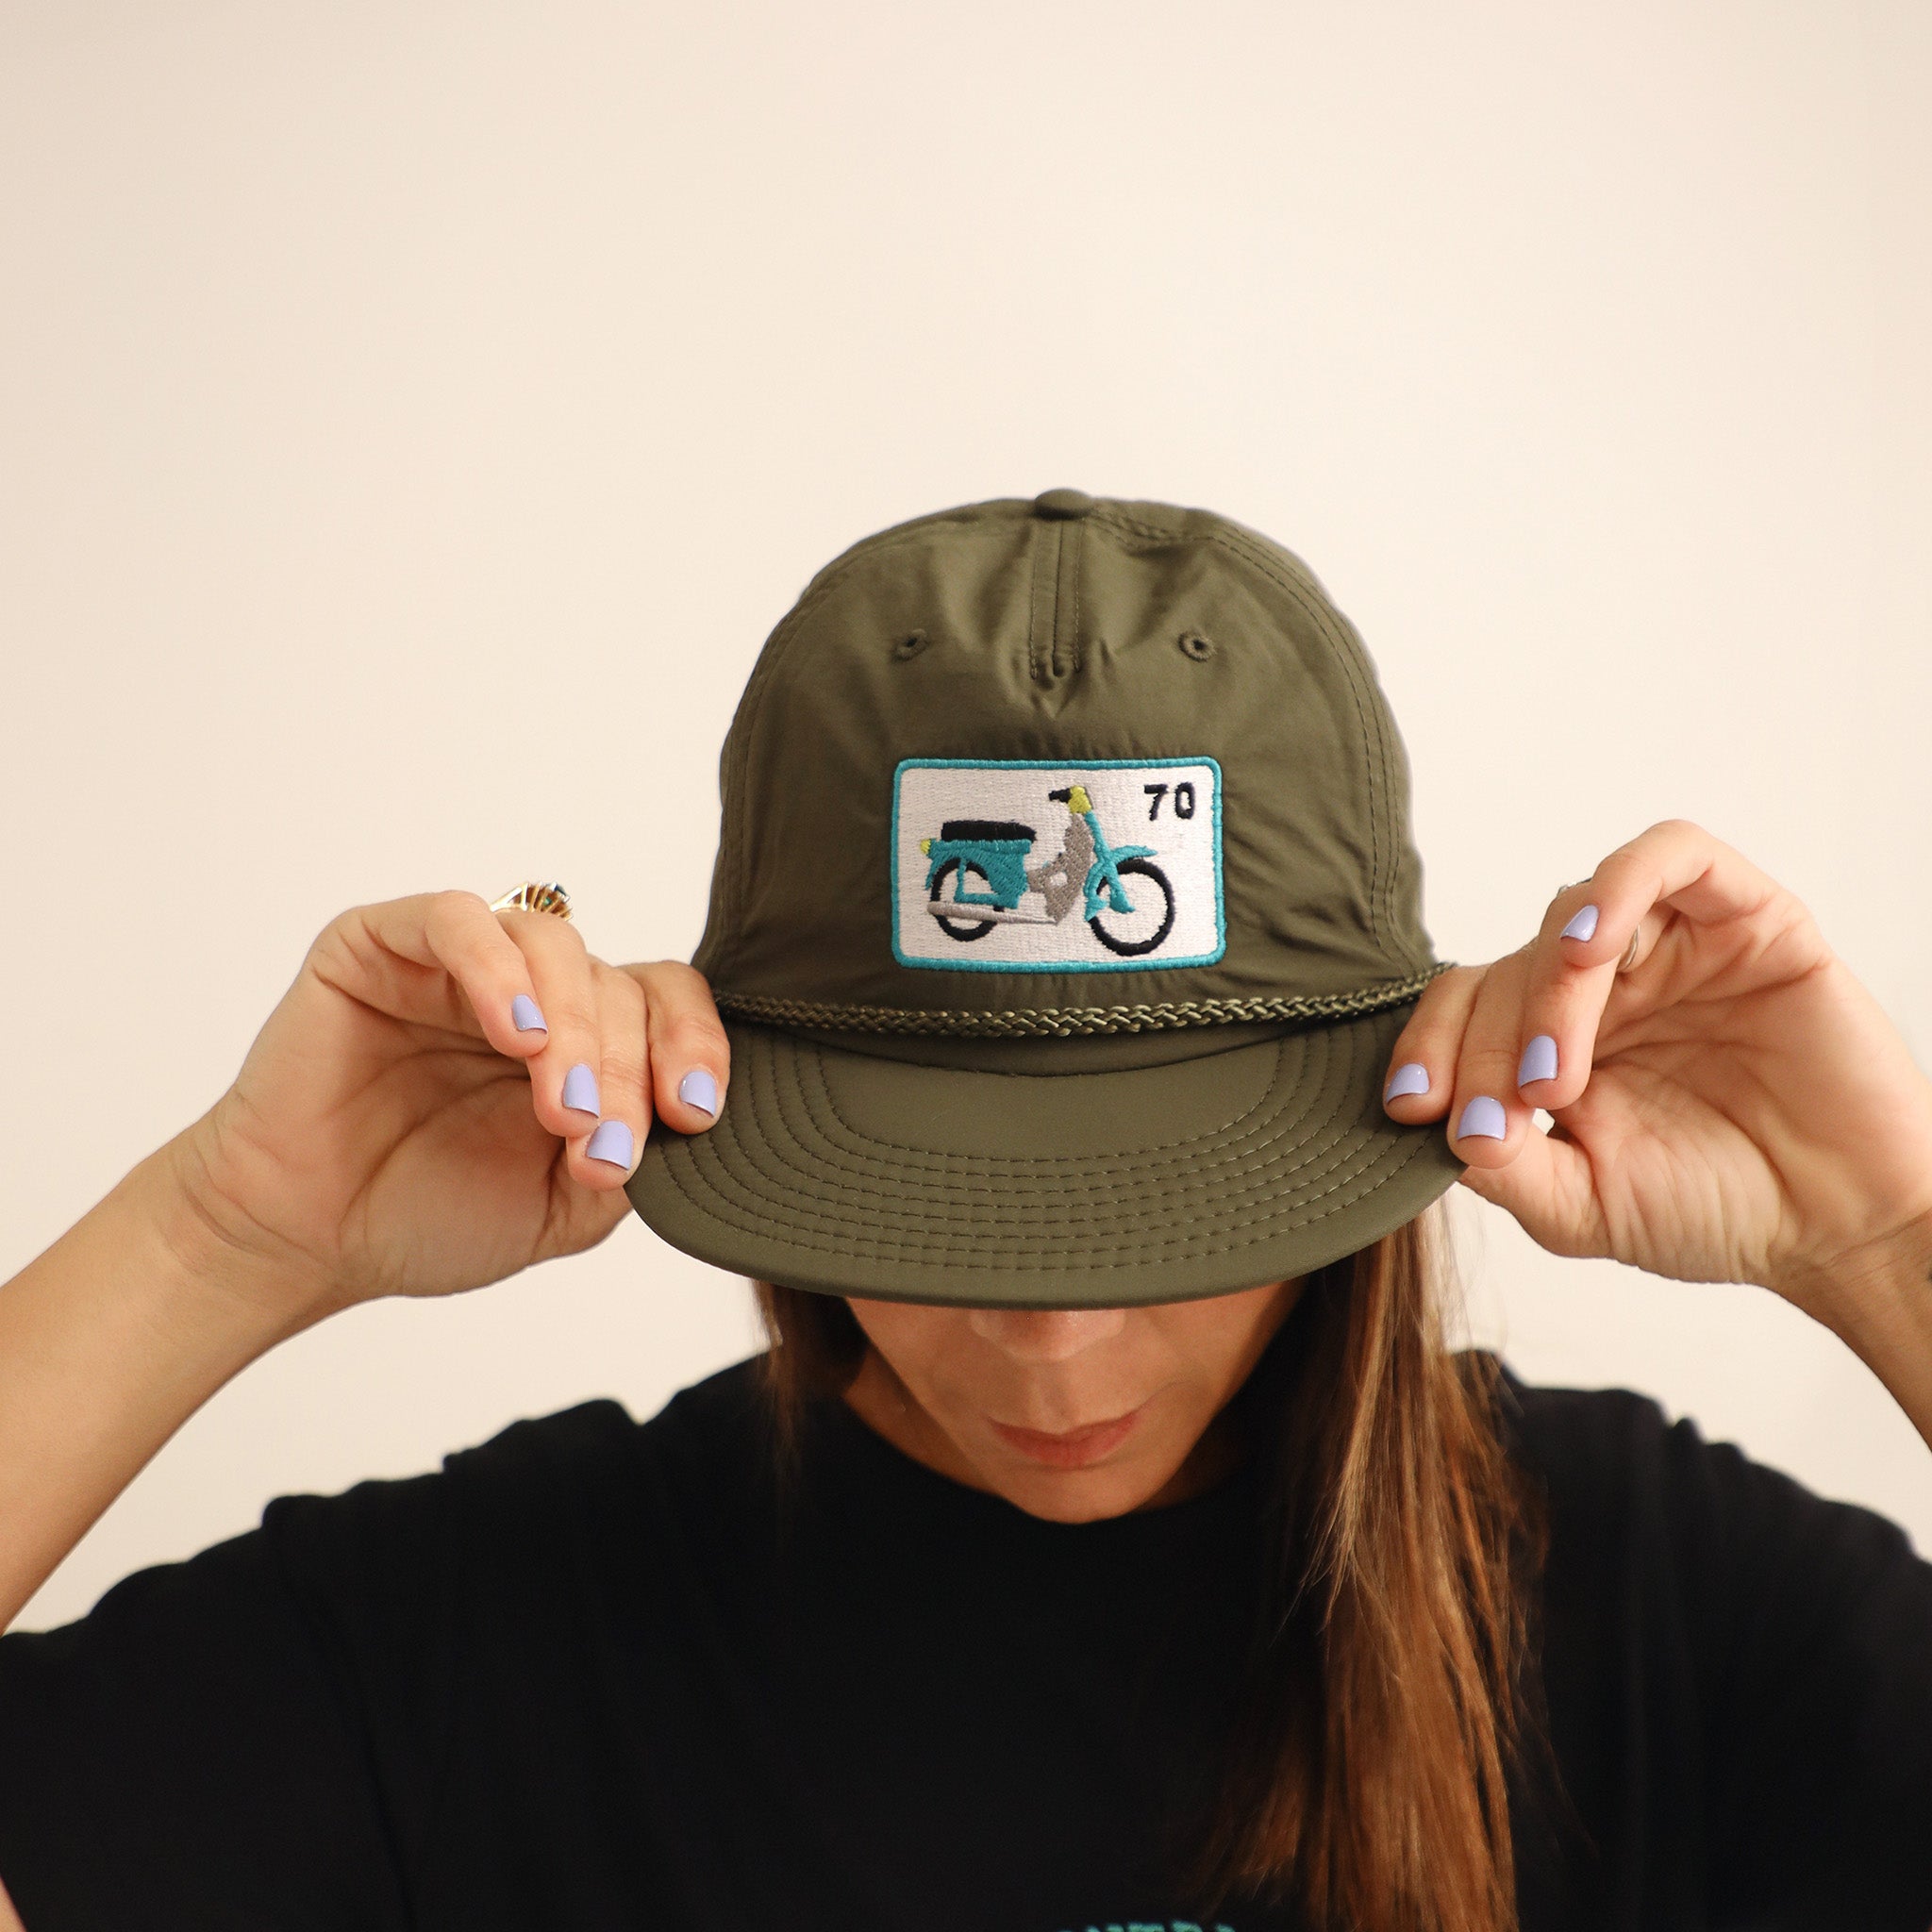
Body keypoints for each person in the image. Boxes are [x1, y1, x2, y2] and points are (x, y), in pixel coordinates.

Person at [2, 491, 1929, 1932]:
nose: (1050, 1338)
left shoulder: (1681, 1619)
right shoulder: (478, 1647)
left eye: (1164, 1217)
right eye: (937, 1216)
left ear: (1381, 1100)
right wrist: (224, 1238)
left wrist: (1884, 1236)